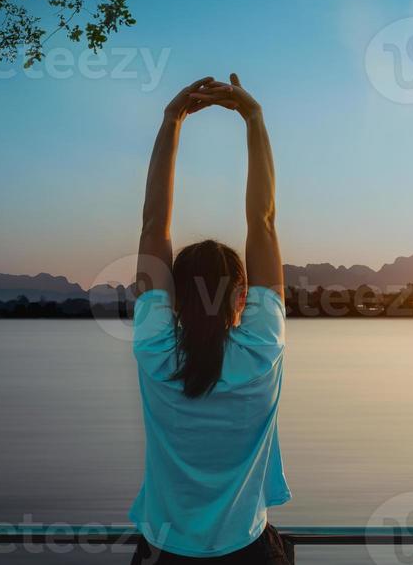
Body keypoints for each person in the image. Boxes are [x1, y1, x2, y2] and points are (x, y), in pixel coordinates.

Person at [129, 73, 291, 565]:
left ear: (171, 296)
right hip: (247, 551)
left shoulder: (156, 349)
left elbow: (154, 226)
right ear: (242, 295)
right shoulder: (262, 347)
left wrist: (171, 120)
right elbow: (262, 221)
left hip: (164, 551)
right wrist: (254, 119)